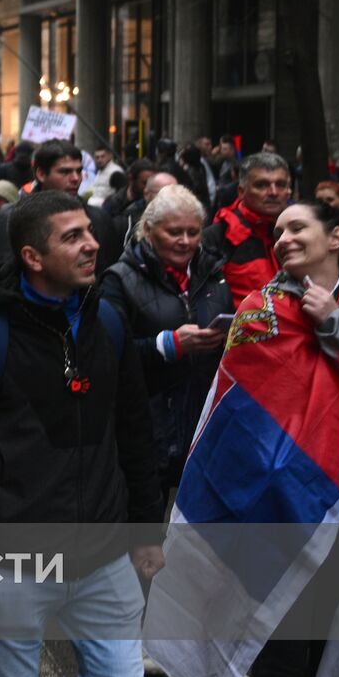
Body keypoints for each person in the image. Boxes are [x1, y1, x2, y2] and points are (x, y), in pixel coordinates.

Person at [0, 189, 164, 677]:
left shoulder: (106, 324)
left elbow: (134, 432)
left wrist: (146, 530)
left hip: (104, 552)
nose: (93, 245)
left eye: (90, 231)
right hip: (11, 563)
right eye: (73, 237)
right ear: (33, 257)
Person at [146, 200, 339, 677]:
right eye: (279, 230)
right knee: (279, 644)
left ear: (335, 237)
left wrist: (336, 329)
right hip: (274, 509)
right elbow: (235, 420)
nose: (283, 237)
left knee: (326, 634)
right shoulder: (260, 309)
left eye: (298, 227)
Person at [100, 185, 231, 491]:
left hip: (204, 425)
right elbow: (106, 353)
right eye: (174, 232)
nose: (185, 241)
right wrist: (167, 345)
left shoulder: (215, 274)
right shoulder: (119, 279)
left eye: (193, 231)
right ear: (148, 230)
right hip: (148, 428)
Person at [0, 140, 121, 275]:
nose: (75, 178)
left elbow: (108, 274)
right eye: (65, 172)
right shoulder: (10, 218)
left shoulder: (98, 218)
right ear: (41, 174)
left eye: (78, 171)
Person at [204, 151, 291, 307]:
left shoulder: (303, 234)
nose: (273, 192)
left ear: (289, 191)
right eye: (262, 185)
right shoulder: (218, 237)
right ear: (241, 192)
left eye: (280, 184)